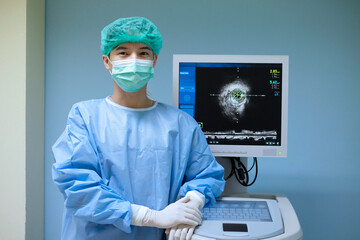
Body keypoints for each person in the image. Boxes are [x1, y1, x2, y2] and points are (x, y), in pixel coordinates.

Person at [52, 16, 225, 240]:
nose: (134, 60)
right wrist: (150, 216)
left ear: (153, 60)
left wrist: (191, 203)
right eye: (123, 52)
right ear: (107, 61)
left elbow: (208, 175)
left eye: (143, 53)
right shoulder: (85, 117)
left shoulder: (180, 124)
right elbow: (77, 186)